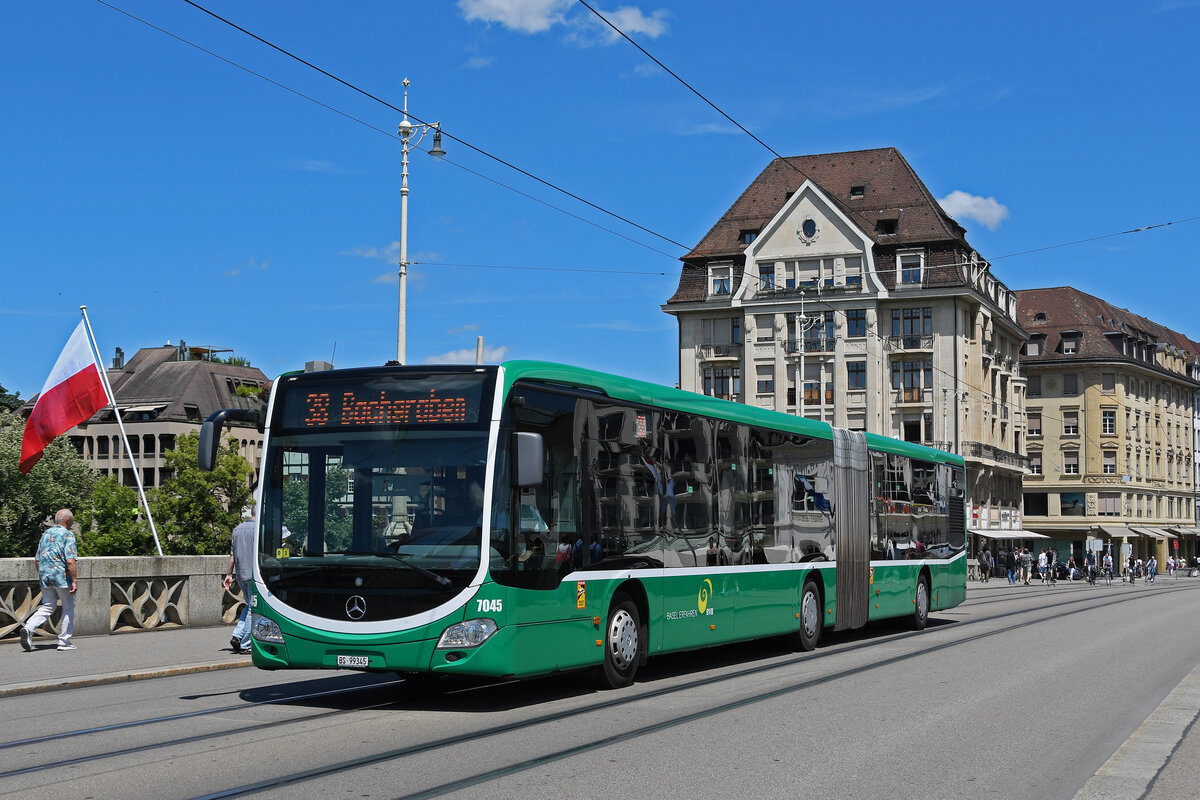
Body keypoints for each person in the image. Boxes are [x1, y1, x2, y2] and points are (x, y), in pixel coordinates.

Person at [19, 509, 79, 652]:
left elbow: (37, 560)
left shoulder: (45, 534)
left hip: (45, 576)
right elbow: (70, 561)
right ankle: (64, 642)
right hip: (61, 576)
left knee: (48, 606)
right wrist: (75, 580)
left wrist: (43, 574)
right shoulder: (68, 535)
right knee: (68, 607)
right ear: (68, 521)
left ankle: (28, 628)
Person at [223, 508, 256, 654]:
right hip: (255, 575)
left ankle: (237, 635)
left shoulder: (237, 529)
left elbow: (232, 555)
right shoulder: (259, 529)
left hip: (241, 574)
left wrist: (229, 574)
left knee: (249, 606)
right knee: (253, 608)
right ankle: (246, 643)